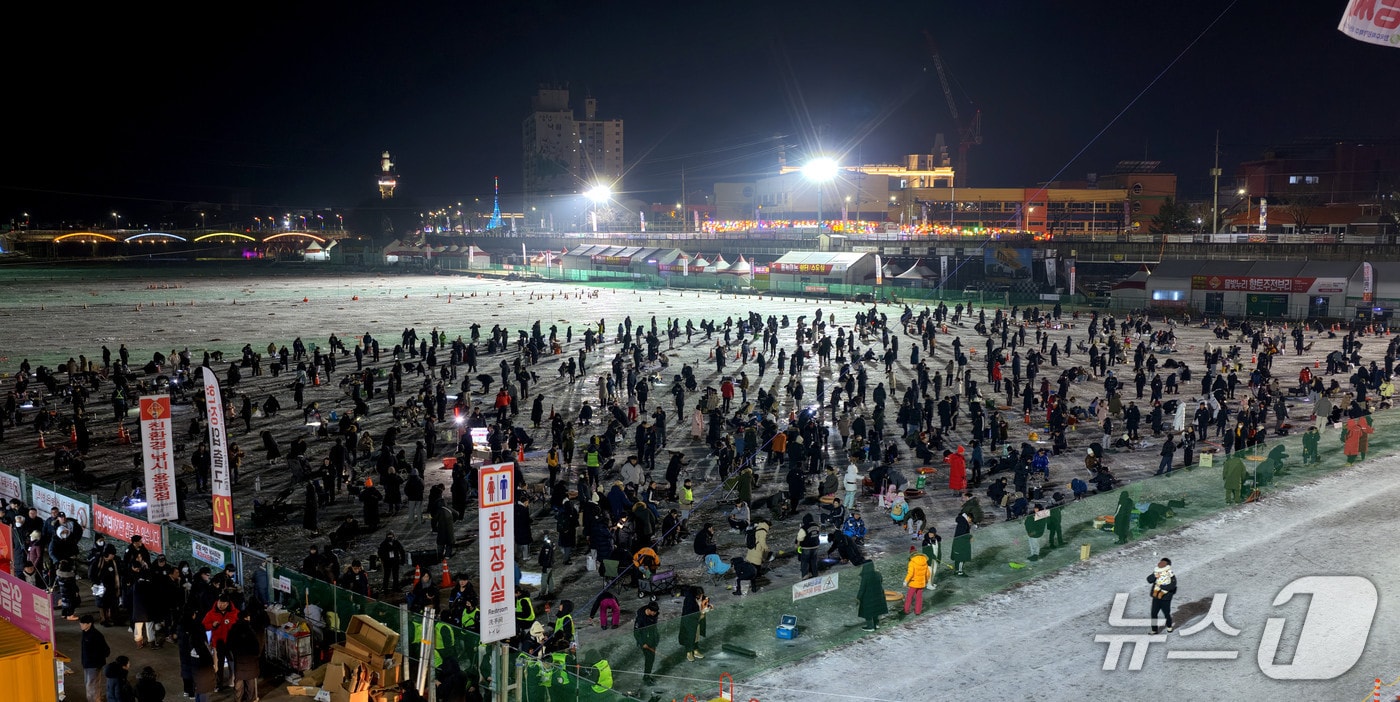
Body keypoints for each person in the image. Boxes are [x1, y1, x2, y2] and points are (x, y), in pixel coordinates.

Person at [228, 610, 261, 702]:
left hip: (239, 661)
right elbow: (256, 648)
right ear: (246, 618)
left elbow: (229, 644)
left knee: (239, 683)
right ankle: (250, 699)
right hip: (251, 662)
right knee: (250, 684)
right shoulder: (250, 630)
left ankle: (238, 699)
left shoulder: (234, 629)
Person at [81, 614, 111, 702]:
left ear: (89, 624)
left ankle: (95, 700)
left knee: (92, 685)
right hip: (87, 663)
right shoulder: (85, 633)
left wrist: (96, 660)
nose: (81, 625)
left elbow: (106, 650)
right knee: (90, 684)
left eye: (83, 623)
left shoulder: (96, 635)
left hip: (93, 664)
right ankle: (96, 699)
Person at [678, 586, 709, 661]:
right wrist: (700, 610)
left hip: (697, 620)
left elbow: (706, 603)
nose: (701, 596)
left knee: (696, 635)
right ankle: (689, 652)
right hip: (689, 621)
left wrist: (706, 606)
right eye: (699, 595)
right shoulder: (689, 600)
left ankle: (695, 650)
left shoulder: (701, 598)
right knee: (690, 636)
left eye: (701, 594)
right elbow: (690, 612)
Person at [856, 561, 888, 631]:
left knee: (868, 611)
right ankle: (876, 624)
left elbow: (862, 588)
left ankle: (870, 626)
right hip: (878, 595)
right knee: (876, 609)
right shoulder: (878, 574)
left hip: (868, 597)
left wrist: (858, 598)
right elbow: (881, 581)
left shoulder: (865, 576)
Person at [634, 600, 660, 685]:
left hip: (652, 640)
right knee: (649, 659)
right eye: (653, 612)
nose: (655, 614)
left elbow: (654, 627)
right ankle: (646, 677)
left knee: (651, 659)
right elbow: (636, 632)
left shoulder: (654, 614)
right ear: (649, 610)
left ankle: (647, 675)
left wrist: (656, 637)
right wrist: (642, 643)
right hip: (645, 642)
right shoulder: (641, 618)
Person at [1148, 557, 1177, 634]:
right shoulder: (1157, 572)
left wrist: (1160, 586)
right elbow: (1149, 580)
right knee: (1153, 613)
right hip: (1156, 597)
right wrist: (1154, 576)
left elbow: (1172, 586)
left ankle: (1169, 626)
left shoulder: (1171, 575)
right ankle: (1154, 629)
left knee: (1166, 614)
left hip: (1166, 598)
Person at [903, 547, 933, 615]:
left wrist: (906, 581)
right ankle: (918, 611)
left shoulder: (912, 562)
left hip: (914, 583)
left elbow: (910, 573)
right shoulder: (924, 560)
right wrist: (925, 581)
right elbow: (927, 573)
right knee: (919, 597)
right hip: (921, 583)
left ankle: (906, 610)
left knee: (909, 597)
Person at [796, 514, 821, 579]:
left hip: (806, 547)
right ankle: (815, 574)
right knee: (813, 561)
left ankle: (805, 575)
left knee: (805, 561)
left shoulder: (804, 527)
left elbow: (800, 538)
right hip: (815, 546)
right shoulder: (817, 526)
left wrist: (798, 545)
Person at [951, 510, 972, 576]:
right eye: (970, 520)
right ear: (968, 517)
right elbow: (963, 535)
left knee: (957, 557)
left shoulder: (961, 521)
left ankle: (957, 570)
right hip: (961, 544)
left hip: (957, 543)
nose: (970, 522)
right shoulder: (964, 523)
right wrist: (969, 537)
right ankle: (960, 572)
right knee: (962, 558)